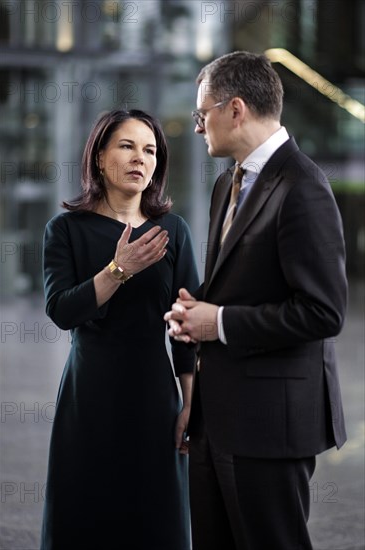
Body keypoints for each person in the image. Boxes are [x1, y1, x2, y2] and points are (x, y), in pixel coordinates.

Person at [165, 51, 347, 550]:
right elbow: (240, 284)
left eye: (203, 115)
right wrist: (194, 309)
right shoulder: (229, 181)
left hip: (270, 424)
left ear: (236, 109)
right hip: (215, 420)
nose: (199, 128)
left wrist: (217, 322)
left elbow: (323, 311)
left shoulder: (304, 186)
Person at [40, 109, 199, 549]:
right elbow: (61, 310)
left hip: (155, 400)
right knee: (85, 519)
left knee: (157, 523)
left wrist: (191, 400)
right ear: (98, 158)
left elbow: (187, 324)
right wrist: (117, 270)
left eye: (149, 150)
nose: (139, 159)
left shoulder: (172, 231)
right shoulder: (66, 230)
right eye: (127, 146)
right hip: (88, 397)